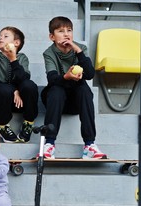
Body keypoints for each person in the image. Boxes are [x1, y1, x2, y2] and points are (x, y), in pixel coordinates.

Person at [42, 16, 107, 159]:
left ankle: (89, 145)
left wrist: (78, 50)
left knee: (84, 89)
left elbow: (90, 74)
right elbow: (52, 78)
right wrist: (66, 77)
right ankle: (49, 144)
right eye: (61, 31)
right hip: (56, 99)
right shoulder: (49, 52)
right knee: (56, 89)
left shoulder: (80, 48)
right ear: (52, 36)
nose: (66, 34)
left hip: (76, 101)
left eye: (69, 30)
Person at [0, 26, 39, 143]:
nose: (1, 38)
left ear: (16, 43)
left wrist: (13, 60)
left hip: (21, 102)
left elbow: (24, 78)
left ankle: (28, 123)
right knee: (3, 89)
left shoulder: (22, 58)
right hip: (2, 102)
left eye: (5, 36)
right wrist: (14, 90)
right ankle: (3, 125)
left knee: (29, 85)